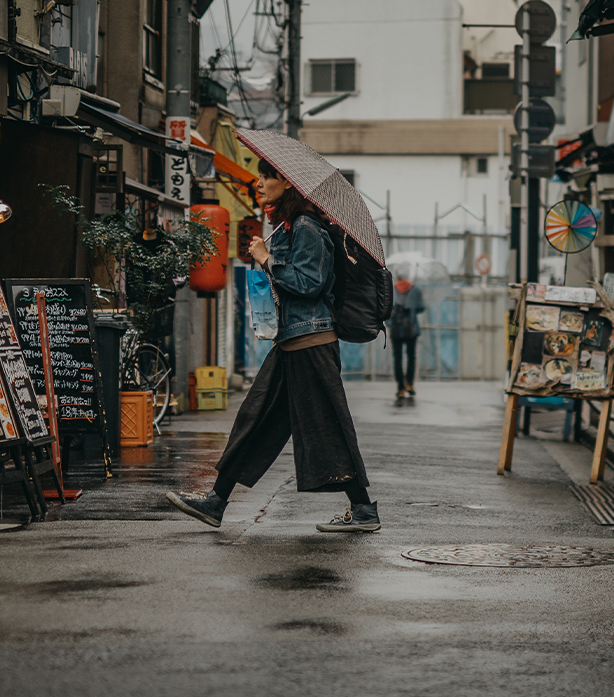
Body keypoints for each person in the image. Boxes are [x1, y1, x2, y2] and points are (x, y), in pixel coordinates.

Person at [167, 159, 379, 533]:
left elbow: (309, 282)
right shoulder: (289, 227)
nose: (260, 182)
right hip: (291, 342)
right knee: (256, 420)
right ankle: (216, 501)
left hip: (311, 342)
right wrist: (267, 255)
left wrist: (268, 259)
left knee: (327, 424)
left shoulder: (308, 227)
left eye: (268, 176)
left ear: (289, 182)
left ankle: (363, 509)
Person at [390, 277, 424, 404]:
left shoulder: (393, 290)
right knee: (411, 356)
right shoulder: (415, 290)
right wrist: (411, 309)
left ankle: (400, 387)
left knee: (397, 357)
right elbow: (422, 307)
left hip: (396, 328)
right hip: (411, 328)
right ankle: (409, 383)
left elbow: (386, 308)